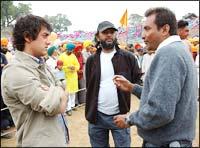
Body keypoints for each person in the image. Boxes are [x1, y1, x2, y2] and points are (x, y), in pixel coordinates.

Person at [113, 7, 197, 147]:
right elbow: (165, 96)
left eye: (147, 29)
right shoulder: (178, 49)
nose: (143, 35)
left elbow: (161, 110)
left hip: (165, 142)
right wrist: (133, 88)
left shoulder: (169, 53)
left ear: (164, 30)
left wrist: (129, 119)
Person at [1, 14, 69, 147]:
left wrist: (56, 91)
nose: (49, 41)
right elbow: (57, 106)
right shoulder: (15, 71)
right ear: (27, 37)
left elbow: (64, 86)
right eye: (44, 36)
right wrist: (59, 91)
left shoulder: (41, 64)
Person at [85, 21, 141, 147]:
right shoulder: (91, 60)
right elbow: (90, 85)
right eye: (105, 33)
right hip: (96, 116)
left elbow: (137, 82)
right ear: (98, 36)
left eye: (112, 32)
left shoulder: (128, 57)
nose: (109, 35)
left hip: (120, 116)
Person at [59, 43, 80, 116]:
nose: (70, 51)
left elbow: (78, 65)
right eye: (69, 50)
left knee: (73, 92)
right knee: (67, 93)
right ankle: (68, 109)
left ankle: (72, 105)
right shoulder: (62, 56)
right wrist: (68, 67)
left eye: (72, 50)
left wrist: (74, 68)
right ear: (66, 49)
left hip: (73, 76)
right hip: (66, 76)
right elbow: (60, 66)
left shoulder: (73, 56)